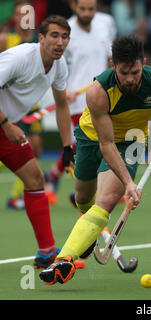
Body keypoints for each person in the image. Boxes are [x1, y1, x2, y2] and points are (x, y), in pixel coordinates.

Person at [39, 34, 151, 285]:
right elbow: (106, 144)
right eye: (124, 73)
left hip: (130, 141)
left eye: (135, 72)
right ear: (112, 64)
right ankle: (89, 235)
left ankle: (62, 260)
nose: (130, 79)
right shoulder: (98, 92)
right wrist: (130, 183)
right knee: (83, 198)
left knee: (105, 201)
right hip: (90, 137)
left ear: (144, 62)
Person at [0, 15, 75, 268]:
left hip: (5, 127)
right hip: (4, 125)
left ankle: (46, 254)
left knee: (34, 179)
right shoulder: (20, 57)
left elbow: (63, 105)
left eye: (64, 37)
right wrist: (6, 125)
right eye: (54, 36)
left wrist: (67, 147)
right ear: (41, 38)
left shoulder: (59, 65)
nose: (60, 42)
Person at [44, 0, 117, 205]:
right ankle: (85, 190)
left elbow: (110, 57)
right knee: (89, 142)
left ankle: (54, 177)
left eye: (91, 9)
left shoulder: (106, 24)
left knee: (86, 143)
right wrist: (64, 90)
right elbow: (57, 65)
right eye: (82, 9)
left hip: (102, 95)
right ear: (74, 6)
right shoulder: (64, 32)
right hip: (76, 101)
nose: (87, 13)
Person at [0, 0, 43, 210]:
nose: (25, 18)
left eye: (29, 14)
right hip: (6, 107)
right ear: (14, 18)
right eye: (20, 14)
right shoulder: (5, 39)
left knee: (36, 149)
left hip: (31, 105)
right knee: (15, 148)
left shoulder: (40, 41)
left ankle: (16, 197)